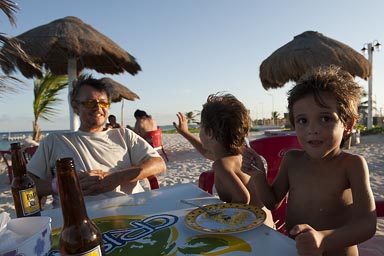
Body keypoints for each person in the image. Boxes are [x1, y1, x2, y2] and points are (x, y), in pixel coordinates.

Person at [242, 65, 376, 255]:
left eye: (325, 119)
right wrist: (258, 176)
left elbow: (367, 223)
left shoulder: (352, 165)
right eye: (303, 121)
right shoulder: (292, 160)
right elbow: (272, 202)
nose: (312, 129)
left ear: (348, 124)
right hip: (296, 249)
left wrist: (324, 239)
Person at [27, 74, 166, 207]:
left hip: (131, 212)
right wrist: (63, 184)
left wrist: (115, 178)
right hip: (76, 220)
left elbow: (158, 164)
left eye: (104, 103)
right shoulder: (55, 141)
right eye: (89, 103)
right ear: (76, 107)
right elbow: (26, 185)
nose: (99, 108)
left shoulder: (124, 135)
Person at [173, 93, 274, 228]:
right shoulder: (236, 156)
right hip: (268, 225)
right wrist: (185, 133)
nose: (199, 132)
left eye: (200, 127)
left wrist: (221, 213)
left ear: (209, 132)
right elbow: (206, 152)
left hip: (254, 229)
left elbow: (243, 198)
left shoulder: (221, 164)